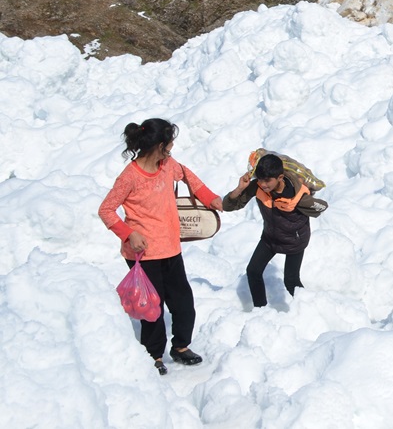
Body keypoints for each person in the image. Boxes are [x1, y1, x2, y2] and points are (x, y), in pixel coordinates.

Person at [99, 119, 223, 376]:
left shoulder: (168, 165)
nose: (172, 147)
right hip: (143, 255)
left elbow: (189, 177)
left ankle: (180, 347)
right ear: (157, 146)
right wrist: (128, 233)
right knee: (151, 308)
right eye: (169, 144)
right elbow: (106, 210)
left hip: (171, 250)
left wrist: (212, 199)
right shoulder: (130, 177)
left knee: (183, 303)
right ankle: (153, 355)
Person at [222, 153, 324, 308]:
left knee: (291, 281)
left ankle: (310, 311)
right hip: (270, 237)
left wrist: (307, 200)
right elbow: (228, 206)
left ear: (280, 177)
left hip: (294, 241)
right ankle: (260, 309)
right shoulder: (258, 187)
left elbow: (320, 207)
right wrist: (239, 188)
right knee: (253, 271)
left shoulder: (297, 195)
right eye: (261, 179)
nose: (263, 184)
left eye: (268, 180)